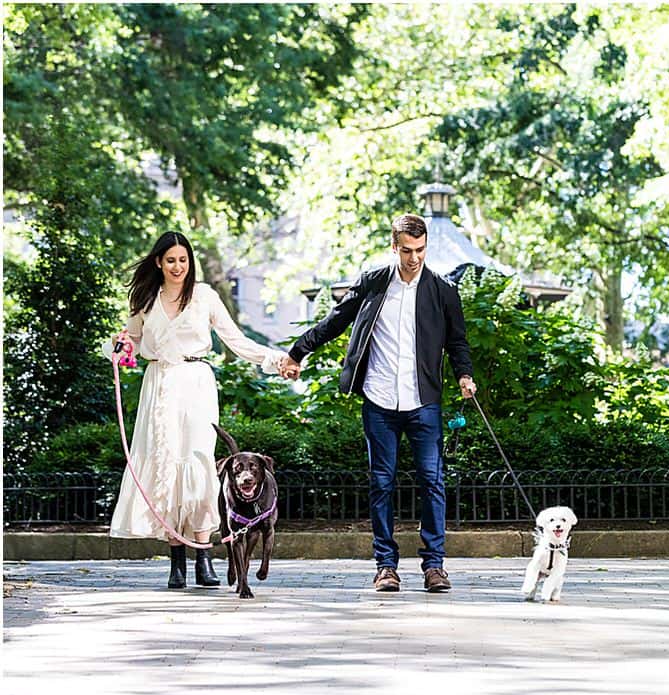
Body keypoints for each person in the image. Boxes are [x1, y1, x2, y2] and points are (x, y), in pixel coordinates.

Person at [282, 211, 478, 595]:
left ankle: (434, 565)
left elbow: (457, 341)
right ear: (394, 246)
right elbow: (336, 319)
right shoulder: (374, 282)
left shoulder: (442, 290)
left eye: (421, 250)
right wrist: (297, 351)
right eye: (407, 250)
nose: (414, 258)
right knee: (381, 484)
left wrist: (464, 375)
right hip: (380, 399)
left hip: (423, 400)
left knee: (433, 482)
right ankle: (385, 566)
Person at [106, 230, 293, 590]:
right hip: (159, 384)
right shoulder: (144, 299)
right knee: (166, 464)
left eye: (183, 259)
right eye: (171, 260)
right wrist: (117, 347)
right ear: (159, 262)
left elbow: (235, 340)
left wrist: (275, 359)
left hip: (196, 382)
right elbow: (131, 341)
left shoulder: (204, 296)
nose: (178, 266)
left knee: (199, 462)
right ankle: (177, 557)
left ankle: (204, 554)